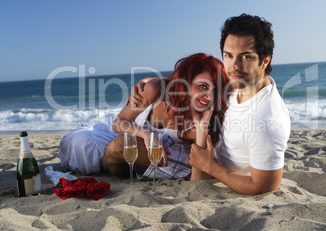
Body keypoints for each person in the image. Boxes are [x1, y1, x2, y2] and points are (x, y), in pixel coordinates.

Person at [132, 14, 291, 195]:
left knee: (119, 149)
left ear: (264, 61)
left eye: (245, 57)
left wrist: (209, 166)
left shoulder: (267, 121)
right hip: (200, 145)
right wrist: (147, 83)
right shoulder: (240, 82)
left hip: (212, 170)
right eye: (228, 55)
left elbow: (263, 187)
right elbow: (186, 79)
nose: (234, 66)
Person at [59, 53, 230, 181]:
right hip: (132, 133)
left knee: (117, 148)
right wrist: (146, 134)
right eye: (202, 86)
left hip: (161, 152)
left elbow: (201, 173)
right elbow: (119, 122)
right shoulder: (154, 89)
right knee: (80, 142)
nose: (209, 96)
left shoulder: (208, 118)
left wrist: (201, 131)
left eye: (215, 90)